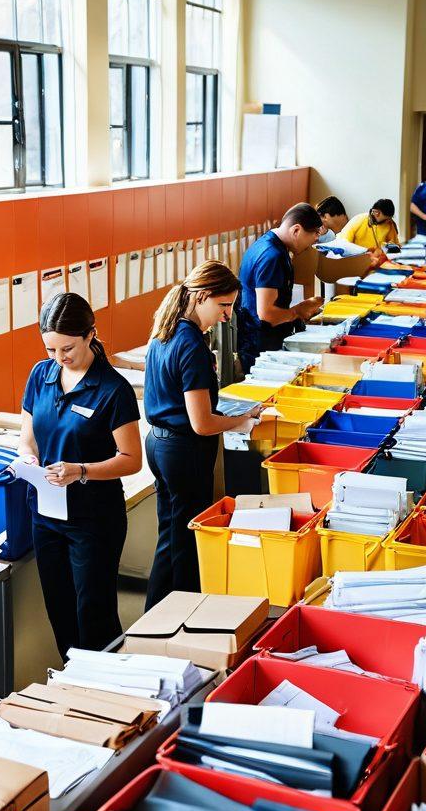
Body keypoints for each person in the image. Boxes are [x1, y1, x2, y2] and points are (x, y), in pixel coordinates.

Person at [17, 292, 142, 659]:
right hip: (47, 515)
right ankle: (72, 686)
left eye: (67, 349)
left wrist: (81, 471)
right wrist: (26, 458)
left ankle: (104, 688)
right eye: (51, 350)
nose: (59, 359)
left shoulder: (112, 389)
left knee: (94, 615)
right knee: (60, 611)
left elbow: (131, 459)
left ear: (90, 334)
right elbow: (29, 437)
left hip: (93, 519)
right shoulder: (41, 376)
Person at [144, 262, 262, 609]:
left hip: (160, 444)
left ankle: (154, 613)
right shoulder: (191, 344)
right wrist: (240, 420)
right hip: (183, 451)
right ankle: (180, 618)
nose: (227, 316)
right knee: (185, 545)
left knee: (170, 536)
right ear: (200, 296)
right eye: (223, 306)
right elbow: (202, 423)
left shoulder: (164, 331)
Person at [237, 202, 324, 373]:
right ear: (296, 230)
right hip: (260, 346)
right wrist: (299, 310)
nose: (309, 247)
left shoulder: (268, 243)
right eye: (310, 238)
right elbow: (266, 314)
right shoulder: (272, 257)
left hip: (259, 338)